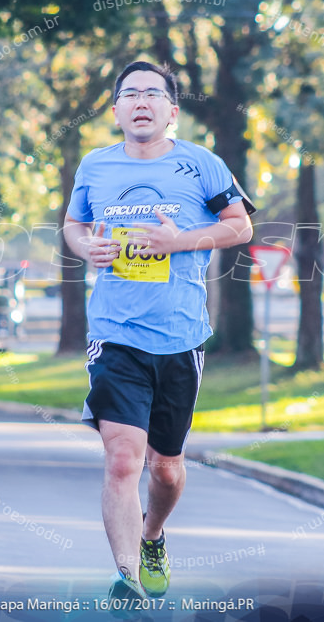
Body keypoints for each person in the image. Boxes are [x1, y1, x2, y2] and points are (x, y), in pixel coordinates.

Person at [62, 61, 255, 606]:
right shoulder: (95, 166)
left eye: (153, 93)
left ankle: (151, 537)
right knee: (123, 458)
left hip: (180, 335)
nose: (140, 101)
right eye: (129, 93)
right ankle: (127, 580)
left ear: (172, 110)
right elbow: (73, 226)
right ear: (117, 109)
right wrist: (85, 247)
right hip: (114, 333)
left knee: (165, 470)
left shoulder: (203, 164)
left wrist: (180, 241)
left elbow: (241, 227)